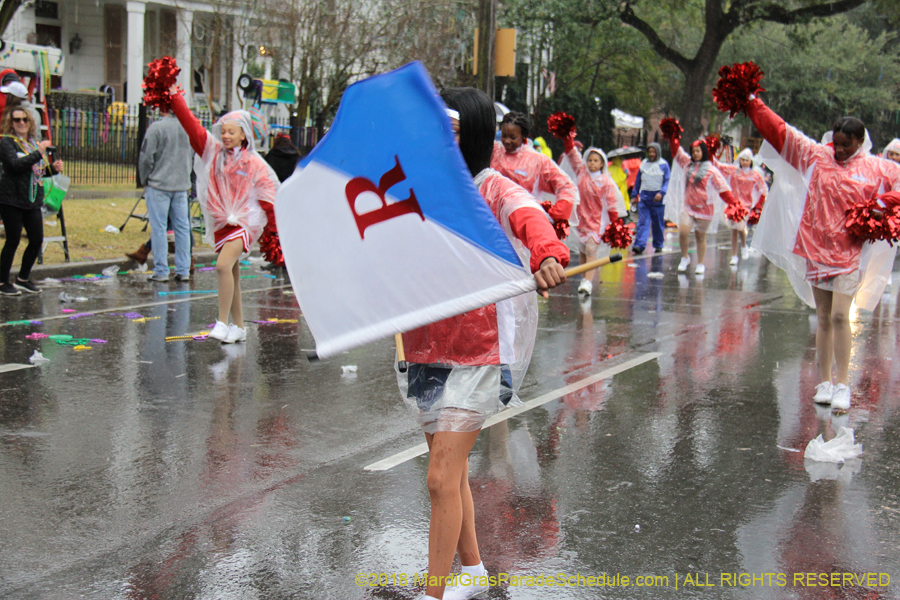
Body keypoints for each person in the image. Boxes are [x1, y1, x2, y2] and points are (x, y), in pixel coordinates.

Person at [401, 87, 568, 600]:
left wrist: (545, 252)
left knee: (437, 478)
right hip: (424, 346)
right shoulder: (416, 188)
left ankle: (434, 592)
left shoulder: (491, 187)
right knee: (449, 478)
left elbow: (529, 214)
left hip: (480, 353)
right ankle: (472, 572)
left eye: (448, 132)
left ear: (471, 135)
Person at [746, 96, 900, 411]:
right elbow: (782, 132)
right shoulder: (817, 156)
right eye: (837, 143)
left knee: (842, 316)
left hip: (848, 253)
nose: (840, 149)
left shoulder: (874, 168)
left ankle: (843, 383)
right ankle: (825, 381)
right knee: (825, 319)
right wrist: (750, 101)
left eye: (847, 144)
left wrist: (878, 209)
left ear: (860, 141)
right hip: (815, 249)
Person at [169, 84, 279, 343]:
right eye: (224, 131)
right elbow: (192, 126)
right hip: (222, 223)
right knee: (232, 274)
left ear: (244, 135)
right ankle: (239, 327)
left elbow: (269, 197)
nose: (226, 135)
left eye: (232, 131)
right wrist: (174, 98)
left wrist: (273, 233)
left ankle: (221, 321)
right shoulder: (214, 153)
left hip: (244, 224)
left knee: (221, 267)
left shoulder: (254, 163)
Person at [0, 107, 63, 295]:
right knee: (13, 239)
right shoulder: (7, 142)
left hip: (32, 198)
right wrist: (40, 151)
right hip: (11, 198)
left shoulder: (31, 144)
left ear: (30, 122)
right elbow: (16, 165)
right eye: (17, 120)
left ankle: (23, 278)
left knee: (36, 239)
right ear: (11, 123)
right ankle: (2, 282)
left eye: (24, 120)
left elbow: (36, 171)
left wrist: (52, 169)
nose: (21, 123)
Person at [491, 112, 576, 233]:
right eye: (504, 136)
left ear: (524, 136)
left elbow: (566, 185)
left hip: (524, 224)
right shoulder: (493, 150)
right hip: (494, 221)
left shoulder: (537, 159)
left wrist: (557, 212)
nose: (507, 141)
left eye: (513, 137)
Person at [663, 133, 737, 274]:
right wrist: (672, 134)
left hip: (704, 209)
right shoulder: (687, 164)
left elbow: (722, 188)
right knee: (683, 233)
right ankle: (685, 257)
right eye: (693, 151)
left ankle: (700, 263)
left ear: (704, 152)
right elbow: (676, 152)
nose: (695, 154)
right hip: (688, 206)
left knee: (699, 236)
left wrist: (733, 204)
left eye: (698, 151)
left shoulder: (711, 170)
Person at [138, 106, 194, 282]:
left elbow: (146, 156)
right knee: (182, 228)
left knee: (159, 228)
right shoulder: (189, 128)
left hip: (159, 184)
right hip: (181, 185)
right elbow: (193, 155)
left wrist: (145, 178)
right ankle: (183, 269)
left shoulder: (156, 127)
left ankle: (161, 270)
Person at [562, 135, 623, 295]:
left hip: (597, 223)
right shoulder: (582, 173)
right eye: (590, 160)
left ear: (602, 163)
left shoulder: (606, 181)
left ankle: (588, 282)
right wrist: (567, 136)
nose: (592, 163)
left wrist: (614, 224)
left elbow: (611, 204)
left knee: (591, 249)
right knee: (583, 252)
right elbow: (572, 155)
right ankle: (584, 279)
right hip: (582, 220)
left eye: (596, 161)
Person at [725, 148, 768, 265]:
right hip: (734, 205)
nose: (744, 162)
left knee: (740, 227)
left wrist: (759, 204)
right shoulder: (734, 172)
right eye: (742, 160)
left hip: (747, 206)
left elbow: (763, 189)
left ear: (751, 162)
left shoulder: (755, 175)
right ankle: (734, 255)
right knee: (734, 229)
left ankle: (743, 246)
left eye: (747, 160)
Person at [630, 142, 670, 254]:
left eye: (654, 152)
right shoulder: (643, 164)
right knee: (643, 221)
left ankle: (658, 244)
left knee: (657, 223)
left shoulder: (664, 165)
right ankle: (639, 245)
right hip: (645, 198)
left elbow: (667, 181)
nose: (651, 154)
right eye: (650, 152)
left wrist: (661, 193)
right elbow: (638, 181)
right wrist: (634, 195)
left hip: (658, 199)